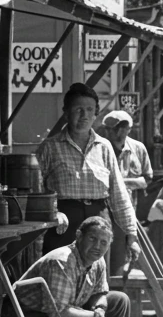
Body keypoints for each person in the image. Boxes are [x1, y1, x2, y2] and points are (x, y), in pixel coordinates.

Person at [36, 83, 140, 277]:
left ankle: (96, 309)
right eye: (78, 109)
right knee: (60, 278)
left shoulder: (104, 147)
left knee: (96, 279)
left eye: (90, 110)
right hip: (63, 224)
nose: (84, 115)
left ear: (96, 114)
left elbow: (119, 195)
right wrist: (53, 213)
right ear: (66, 112)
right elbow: (36, 192)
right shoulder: (49, 147)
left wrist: (131, 235)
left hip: (99, 222)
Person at [3, 216, 132, 317]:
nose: (97, 246)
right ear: (79, 236)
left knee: (119, 300)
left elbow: (100, 292)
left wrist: (100, 309)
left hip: (61, 312)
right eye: (92, 239)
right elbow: (59, 312)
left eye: (103, 243)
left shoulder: (98, 260)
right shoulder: (62, 261)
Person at [101, 109, 153, 270]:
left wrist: (122, 182)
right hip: (103, 207)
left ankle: (119, 285)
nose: (122, 132)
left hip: (128, 206)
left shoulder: (137, 148)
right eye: (118, 128)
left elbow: (147, 178)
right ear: (108, 130)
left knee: (123, 249)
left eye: (125, 128)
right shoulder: (99, 147)